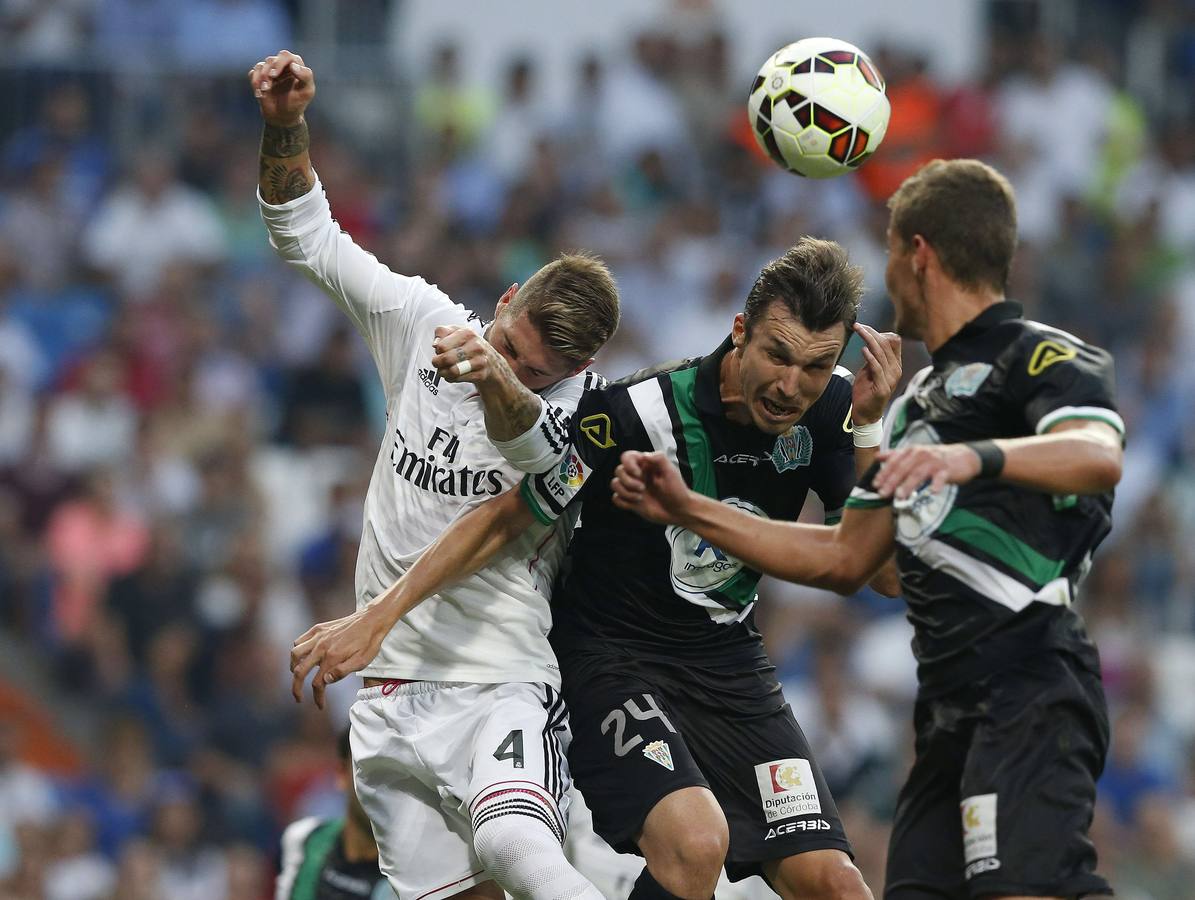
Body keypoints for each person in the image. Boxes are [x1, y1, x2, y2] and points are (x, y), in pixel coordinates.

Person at [298, 236, 904, 899]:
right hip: (611, 659)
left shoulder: (837, 409)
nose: (791, 386)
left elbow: (880, 575)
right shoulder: (629, 414)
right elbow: (507, 517)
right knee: (695, 842)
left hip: (727, 664)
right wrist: (378, 615)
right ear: (739, 331)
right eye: (777, 355)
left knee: (838, 887)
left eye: (816, 366)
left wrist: (871, 432)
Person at [610, 159, 1123, 900]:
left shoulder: (1038, 353)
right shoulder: (914, 403)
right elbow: (855, 561)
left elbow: (1096, 455)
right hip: (948, 710)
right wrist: (692, 509)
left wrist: (970, 458)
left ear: (918, 255)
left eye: (886, 251)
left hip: (1027, 684)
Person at [248, 49, 618, 900]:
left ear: (578, 369)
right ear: (507, 296)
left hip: (501, 677)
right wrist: (285, 126)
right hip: (387, 690)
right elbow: (303, 234)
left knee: (519, 851)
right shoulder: (422, 321)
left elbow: (533, 461)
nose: (515, 368)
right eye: (508, 345)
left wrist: (495, 379)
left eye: (538, 372)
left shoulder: (589, 411)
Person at [275, 729, 394, 899]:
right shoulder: (304, 839)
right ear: (341, 773)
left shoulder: (414, 877)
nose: (380, 787)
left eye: (392, 773)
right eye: (368, 769)